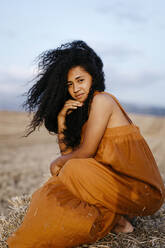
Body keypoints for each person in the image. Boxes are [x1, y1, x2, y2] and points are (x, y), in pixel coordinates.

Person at [7, 40, 165, 248]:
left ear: (93, 76)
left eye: (80, 80)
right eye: (69, 85)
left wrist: (59, 161)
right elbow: (71, 155)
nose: (75, 89)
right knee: (53, 193)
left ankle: (116, 218)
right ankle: (116, 222)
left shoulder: (103, 101)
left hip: (141, 192)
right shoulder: (85, 113)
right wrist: (63, 120)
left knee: (69, 170)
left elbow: (84, 154)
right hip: (110, 186)